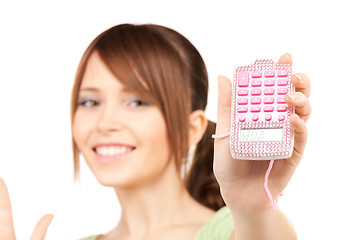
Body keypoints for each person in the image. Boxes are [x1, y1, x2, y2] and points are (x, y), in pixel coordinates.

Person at [0, 23, 311, 240]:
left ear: (192, 129)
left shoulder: (234, 229)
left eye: (136, 101)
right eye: (90, 101)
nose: (105, 122)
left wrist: (253, 207)